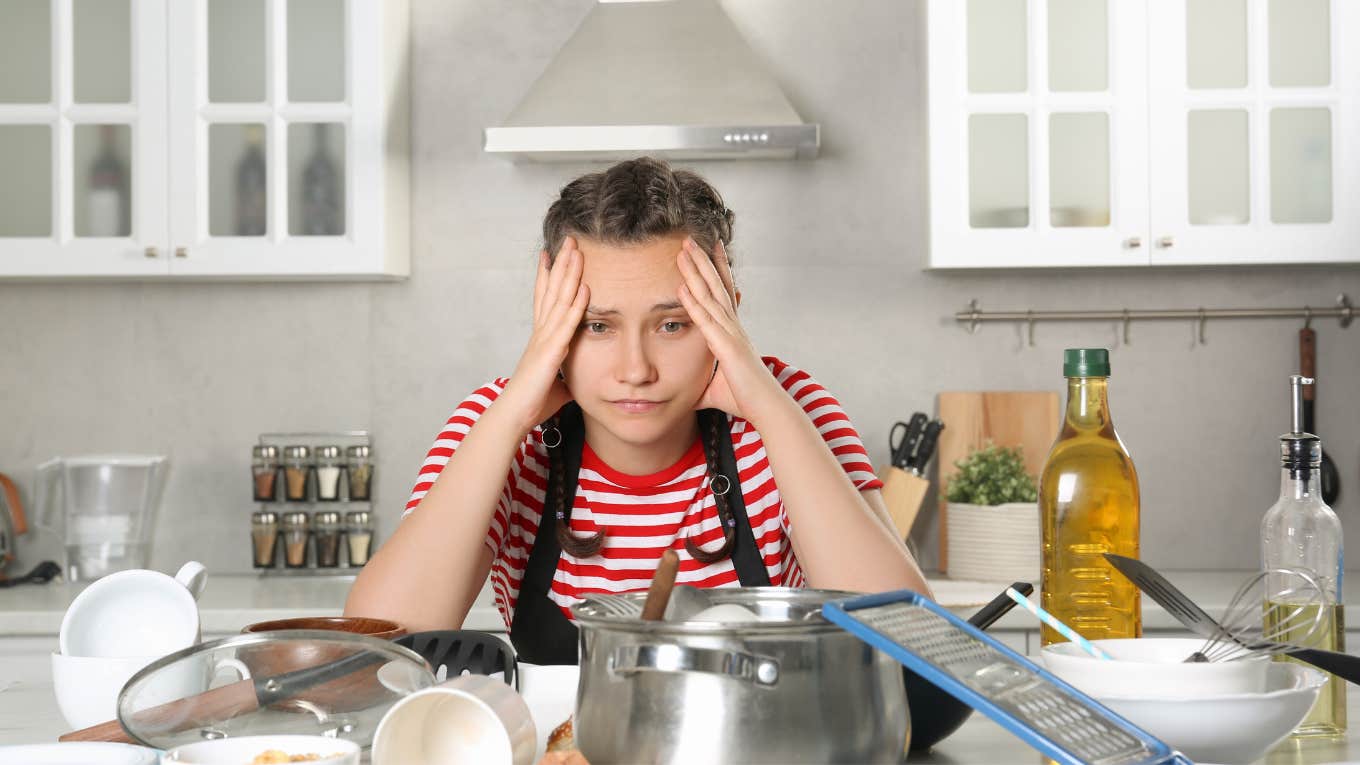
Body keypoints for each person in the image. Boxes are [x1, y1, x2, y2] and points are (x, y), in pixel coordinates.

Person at [345, 157, 931, 663]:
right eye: (597, 326)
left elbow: (908, 644)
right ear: (552, 326)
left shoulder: (791, 405)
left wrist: (770, 409)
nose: (636, 369)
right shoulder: (501, 424)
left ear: (724, 316)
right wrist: (510, 416)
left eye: (673, 324)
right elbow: (377, 646)